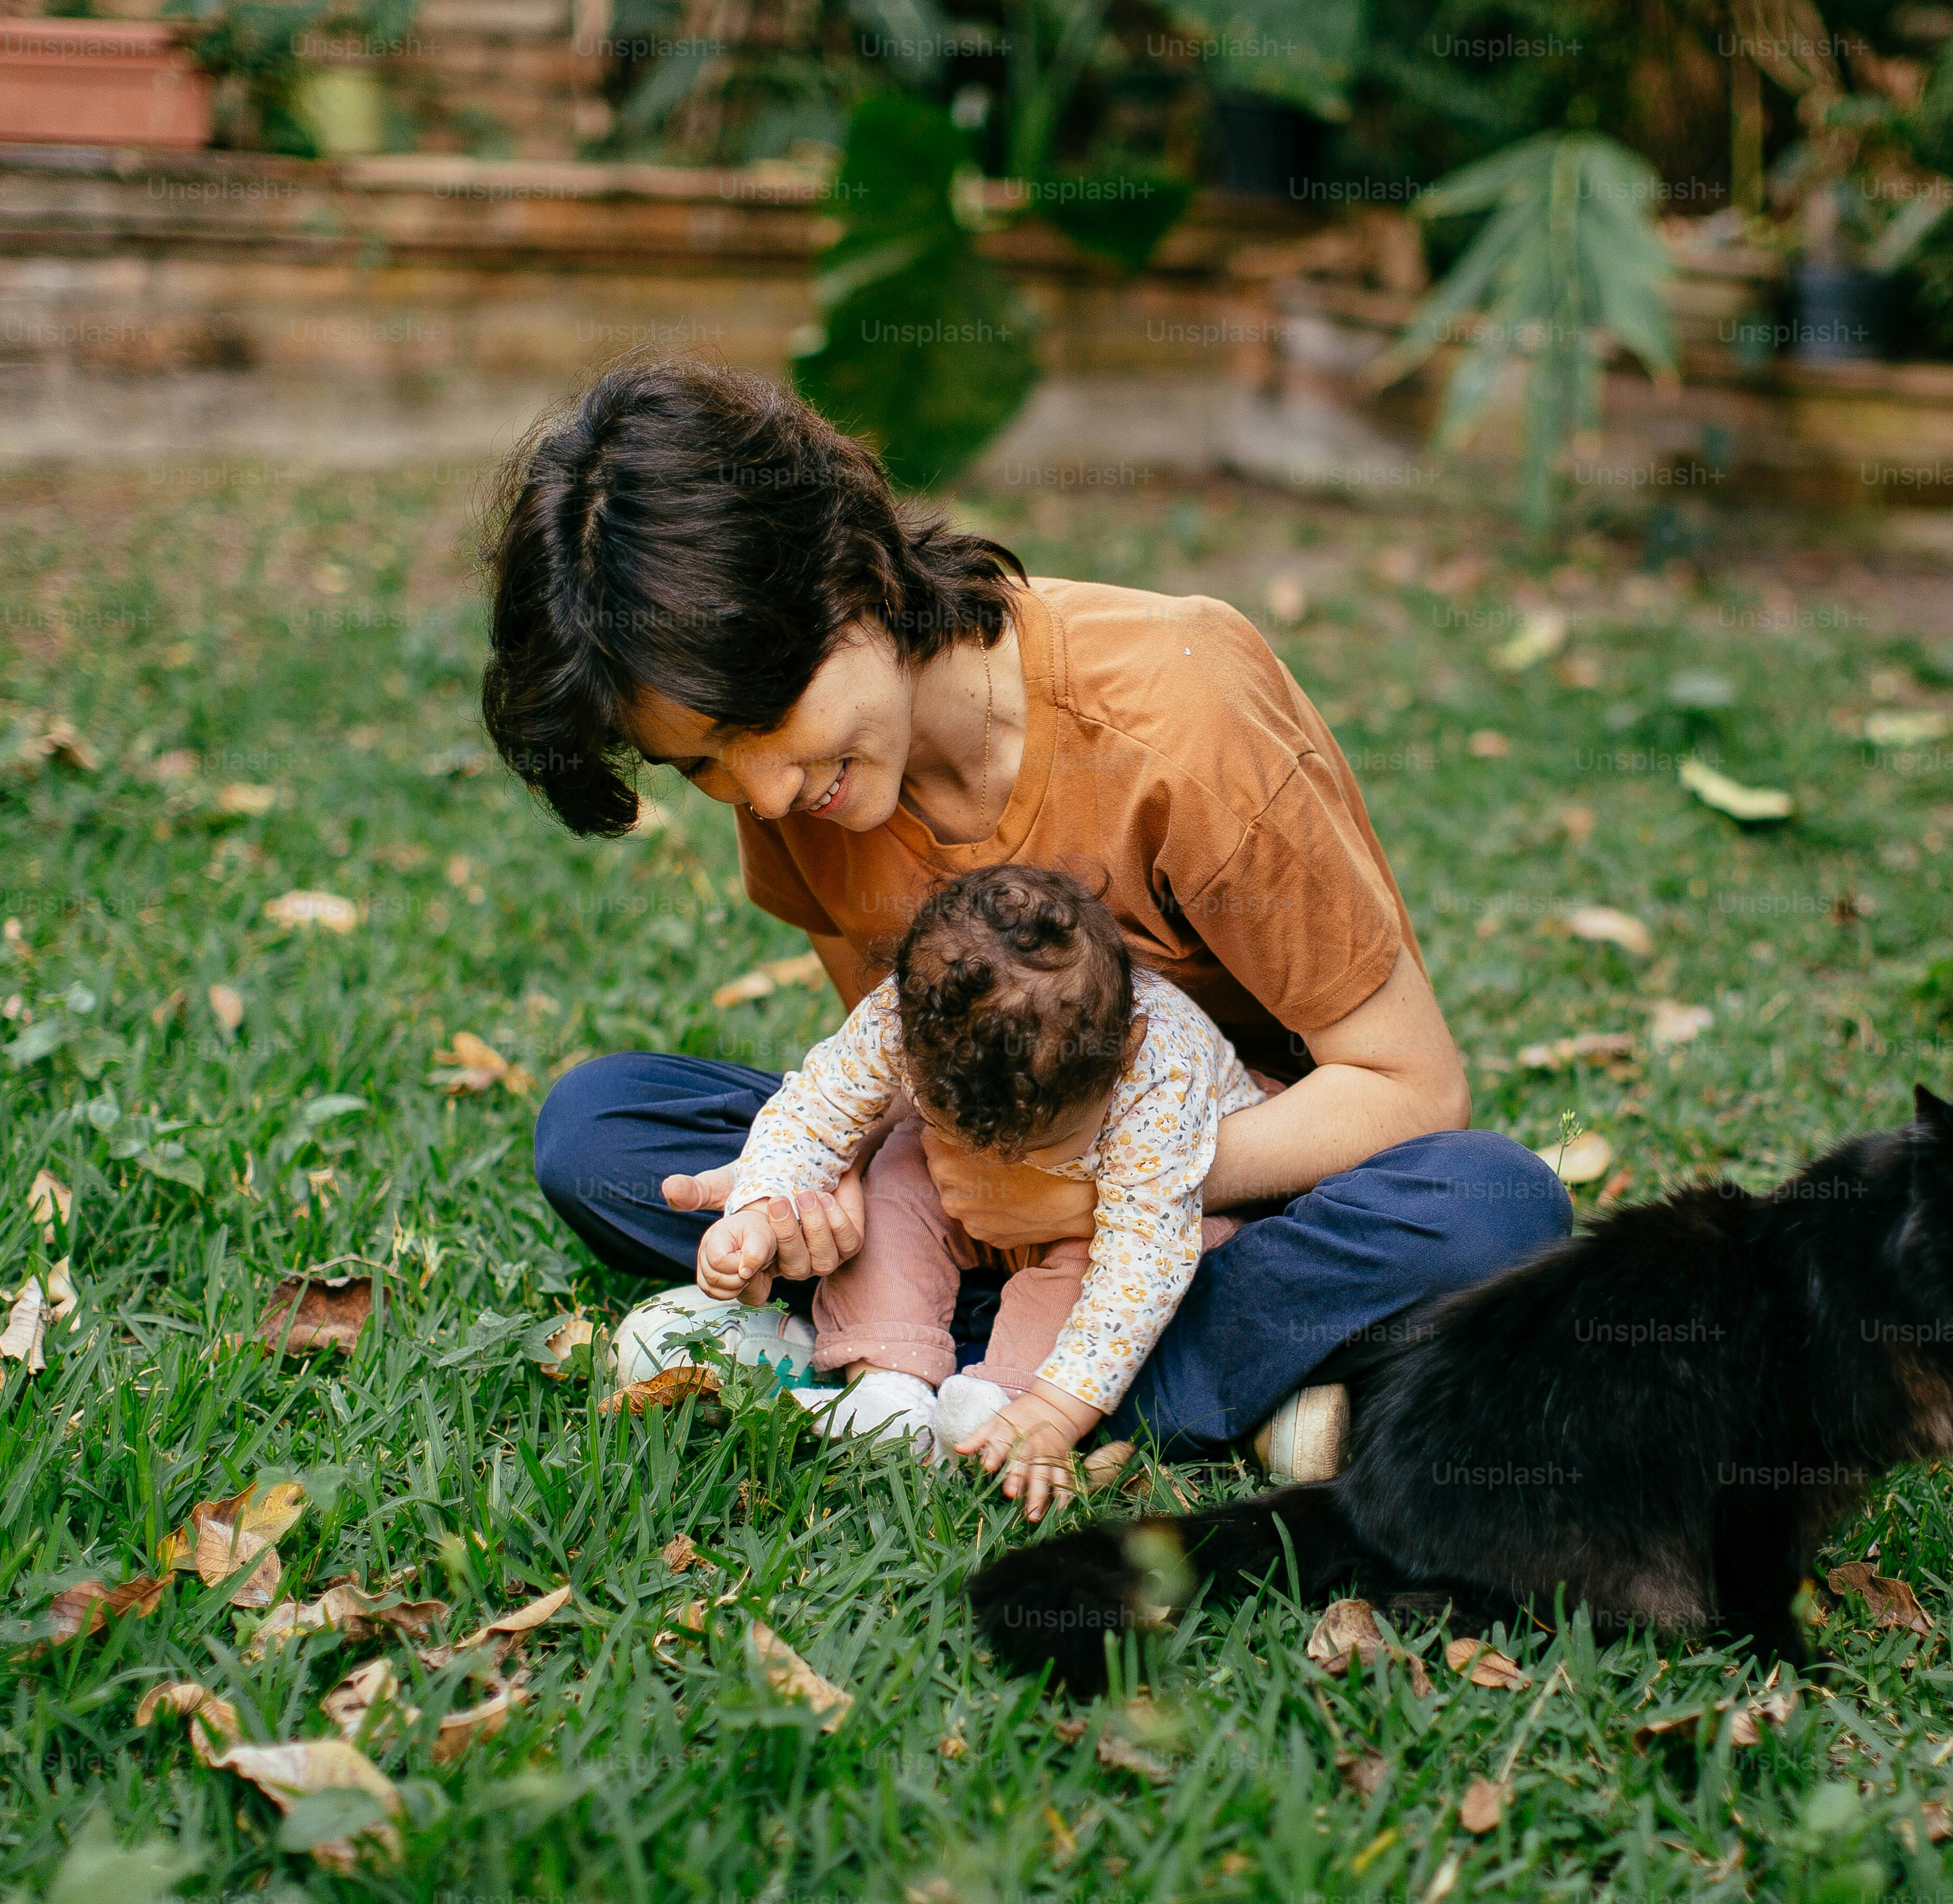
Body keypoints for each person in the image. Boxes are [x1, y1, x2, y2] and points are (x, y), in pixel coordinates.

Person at [487, 356, 1569, 1477]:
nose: (760, 793)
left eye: (756, 719)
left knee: (1491, 1205)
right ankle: (1173, 1380)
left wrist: (1082, 1185)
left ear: (842, 571)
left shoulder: (1179, 712)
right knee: (597, 1130)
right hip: (974, 1199)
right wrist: (801, 1195)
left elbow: (1412, 1086)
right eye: (702, 763)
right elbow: (904, 1075)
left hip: (1234, 1182)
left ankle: (920, 1369)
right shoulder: (807, 780)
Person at [699, 863, 1261, 1518]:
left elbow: (1144, 1258)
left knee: (1123, 1269)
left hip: (1121, 1218)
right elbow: (814, 1110)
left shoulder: (1159, 1068)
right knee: (894, 1182)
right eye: (972, 1132)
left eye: (1039, 1142)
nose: (1008, 1165)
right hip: (955, 1193)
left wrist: (1058, 1408)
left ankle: (1005, 1403)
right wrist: (767, 1204)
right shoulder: (900, 1016)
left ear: (1124, 1050)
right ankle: (889, 1387)